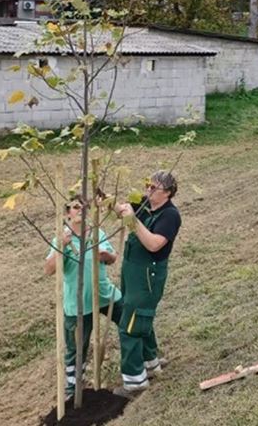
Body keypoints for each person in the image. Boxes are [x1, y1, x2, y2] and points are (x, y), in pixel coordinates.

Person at [44, 196, 122, 399]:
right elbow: (49, 270)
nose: (81, 210)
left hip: (104, 294)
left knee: (130, 322)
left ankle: (145, 362)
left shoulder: (97, 233)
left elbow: (113, 258)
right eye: (76, 207)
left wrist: (104, 255)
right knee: (77, 347)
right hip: (77, 303)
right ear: (67, 213)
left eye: (85, 207)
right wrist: (62, 247)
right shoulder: (61, 239)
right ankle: (73, 389)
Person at [112, 170, 181, 398]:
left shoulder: (170, 216)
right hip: (132, 273)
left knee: (130, 326)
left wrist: (132, 220)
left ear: (168, 193)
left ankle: (135, 383)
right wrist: (107, 201)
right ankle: (150, 364)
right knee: (141, 318)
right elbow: (120, 209)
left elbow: (153, 244)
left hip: (148, 277)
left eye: (154, 188)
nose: (148, 191)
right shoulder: (144, 203)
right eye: (147, 185)